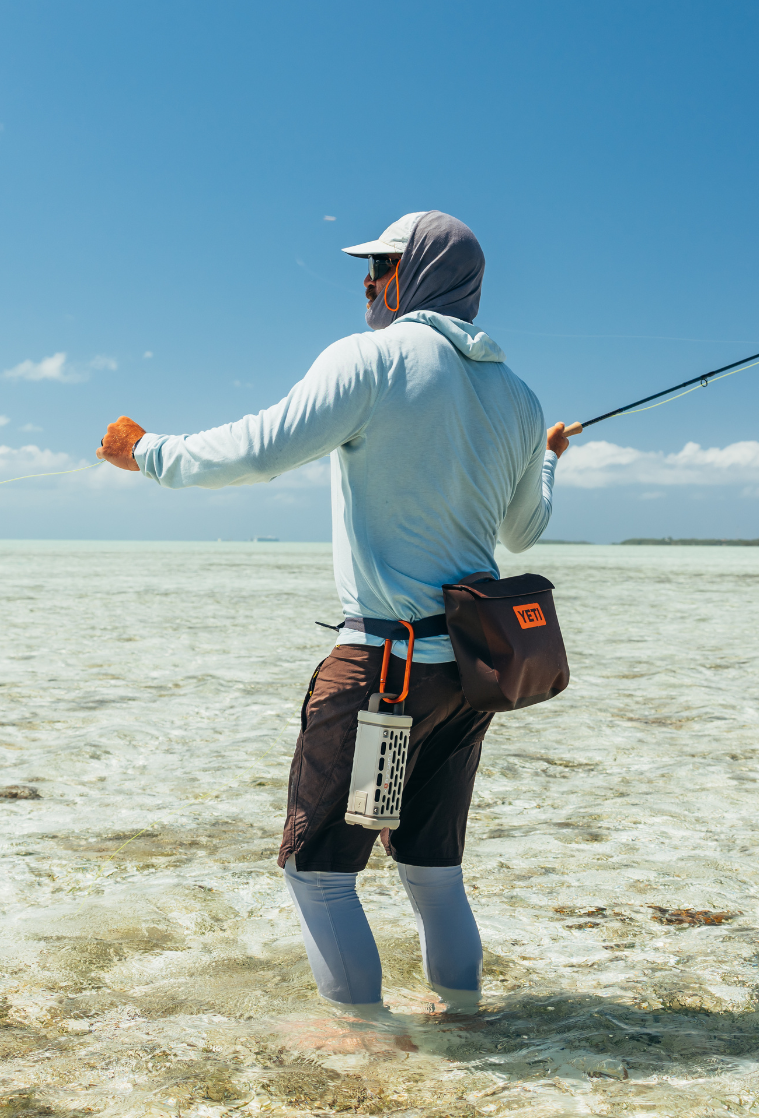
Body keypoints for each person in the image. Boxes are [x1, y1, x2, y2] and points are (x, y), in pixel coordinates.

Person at [96, 210, 570, 1009]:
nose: (367, 282)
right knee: (433, 870)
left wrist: (146, 452)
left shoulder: (369, 360)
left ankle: (365, 1047)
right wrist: (546, 461)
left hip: (385, 674)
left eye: (380, 266)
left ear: (413, 275)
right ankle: (463, 1022)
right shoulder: (520, 398)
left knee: (317, 872)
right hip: (468, 678)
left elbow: (259, 450)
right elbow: (523, 532)